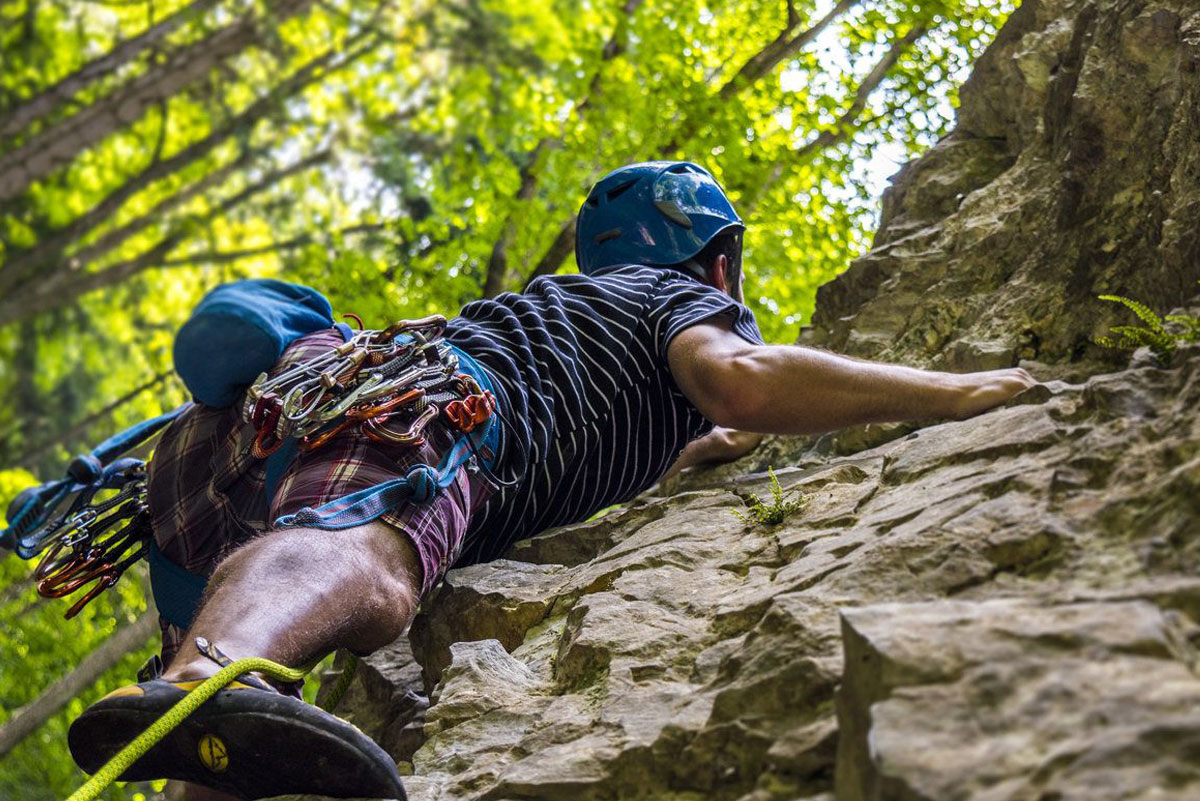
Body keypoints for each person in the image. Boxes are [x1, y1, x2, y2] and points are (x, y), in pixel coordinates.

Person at [68, 161, 1035, 800]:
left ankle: (197, 692)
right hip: (429, 405)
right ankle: (201, 673)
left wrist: (703, 449)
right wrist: (956, 392)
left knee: (224, 738)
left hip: (219, 462)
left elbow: (680, 434)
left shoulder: (580, 333)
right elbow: (737, 381)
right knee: (376, 557)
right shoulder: (678, 298)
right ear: (719, 259)